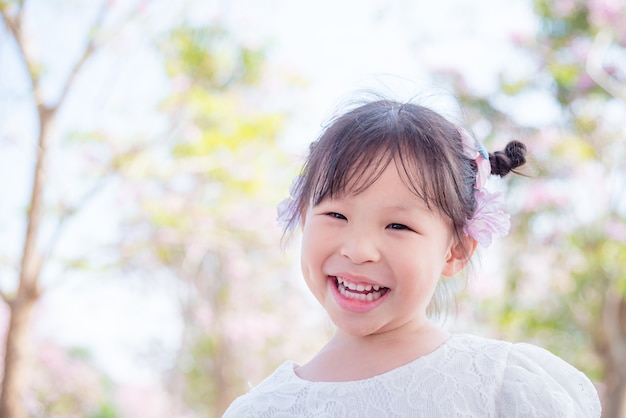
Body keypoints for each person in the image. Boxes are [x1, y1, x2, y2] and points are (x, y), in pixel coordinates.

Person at [223, 96, 601, 417]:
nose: (358, 250)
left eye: (398, 226)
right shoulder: (263, 409)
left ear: (456, 250)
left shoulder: (499, 386)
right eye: (336, 215)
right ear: (302, 217)